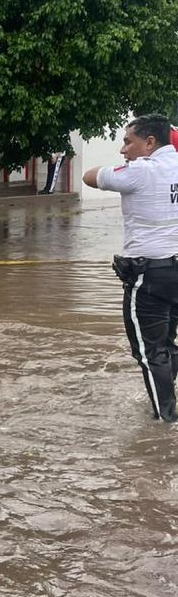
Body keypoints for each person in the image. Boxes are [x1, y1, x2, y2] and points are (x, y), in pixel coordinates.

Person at [83, 114, 178, 423]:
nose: (123, 150)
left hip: (149, 275)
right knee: (164, 344)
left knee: (149, 353)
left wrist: (120, 168)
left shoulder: (140, 171)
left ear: (150, 142)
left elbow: (90, 177)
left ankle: (165, 422)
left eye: (127, 142)